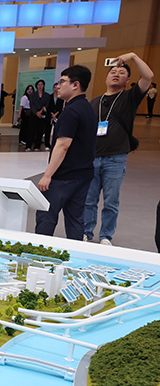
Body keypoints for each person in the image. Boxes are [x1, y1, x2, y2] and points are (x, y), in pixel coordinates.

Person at [84, 53, 154, 246]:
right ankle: (86, 232)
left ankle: (106, 236)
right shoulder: (94, 102)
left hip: (115, 158)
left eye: (122, 72)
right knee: (89, 200)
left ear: (128, 80)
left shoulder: (130, 97)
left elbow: (148, 76)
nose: (116, 74)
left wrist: (132, 56)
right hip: (93, 157)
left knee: (111, 201)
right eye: (113, 72)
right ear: (106, 77)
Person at [35, 65, 96, 240]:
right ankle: (75, 252)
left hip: (64, 176)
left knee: (46, 215)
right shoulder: (87, 108)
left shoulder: (72, 111)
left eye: (62, 82)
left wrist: (47, 175)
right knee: (75, 220)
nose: (58, 86)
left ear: (75, 85)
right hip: (83, 174)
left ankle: (40, 252)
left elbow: (63, 145)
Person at [28, 79, 50, 151]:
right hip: (34, 115)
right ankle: (28, 146)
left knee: (40, 131)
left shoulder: (47, 95)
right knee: (31, 130)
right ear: (36, 86)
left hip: (42, 115)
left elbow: (46, 105)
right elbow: (32, 105)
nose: (40, 86)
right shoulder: (32, 95)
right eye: (38, 85)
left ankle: (37, 146)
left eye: (41, 85)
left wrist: (41, 111)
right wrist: (36, 112)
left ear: (43, 86)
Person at [47, 83, 64, 149]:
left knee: (56, 130)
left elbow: (60, 108)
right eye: (55, 87)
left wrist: (55, 115)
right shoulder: (49, 97)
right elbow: (48, 106)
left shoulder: (61, 98)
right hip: (50, 115)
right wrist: (52, 114)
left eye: (57, 88)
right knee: (48, 130)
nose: (56, 89)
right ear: (53, 88)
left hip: (57, 115)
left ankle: (55, 144)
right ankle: (47, 144)